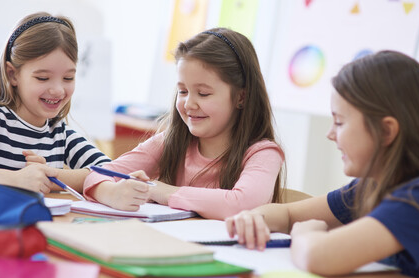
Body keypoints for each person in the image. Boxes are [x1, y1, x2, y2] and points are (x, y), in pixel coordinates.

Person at [226, 50, 419, 278]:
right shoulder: (369, 187)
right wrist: (255, 218)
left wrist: (304, 232)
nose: (330, 134)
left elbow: (316, 256)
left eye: (339, 122)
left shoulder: (414, 199)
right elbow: (288, 214)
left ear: (386, 131)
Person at [83, 27, 284, 220]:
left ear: (241, 97)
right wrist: (112, 193)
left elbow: (240, 205)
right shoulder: (169, 142)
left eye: (203, 93)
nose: (189, 104)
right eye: (183, 91)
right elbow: (98, 174)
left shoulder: (263, 154)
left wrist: (166, 192)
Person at [0, 12, 110, 194]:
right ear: (13, 74)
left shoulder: (61, 135)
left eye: (68, 78)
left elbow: (112, 171)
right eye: (43, 78)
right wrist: (15, 179)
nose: (58, 90)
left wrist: (50, 177)